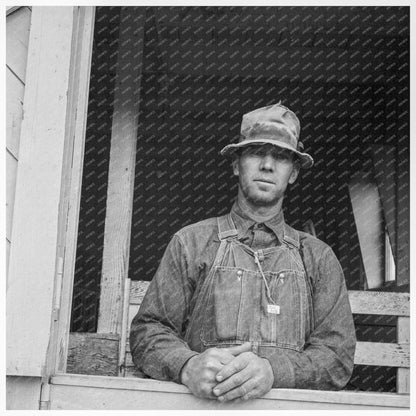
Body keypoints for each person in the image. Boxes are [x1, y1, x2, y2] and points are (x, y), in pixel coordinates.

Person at [129, 102, 356, 403]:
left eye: (281, 156)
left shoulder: (318, 258)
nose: (267, 165)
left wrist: (274, 371)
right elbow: (149, 331)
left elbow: (336, 357)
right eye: (256, 152)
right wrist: (186, 365)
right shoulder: (191, 243)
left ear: (293, 173)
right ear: (236, 164)